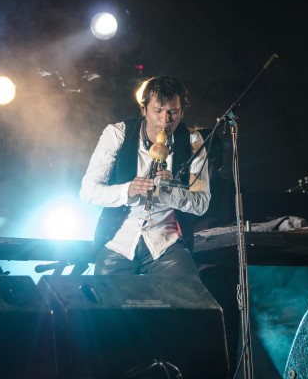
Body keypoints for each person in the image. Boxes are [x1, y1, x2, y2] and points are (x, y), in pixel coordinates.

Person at [79, 76, 210, 275]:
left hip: (166, 242)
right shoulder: (117, 134)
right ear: (144, 109)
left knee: (185, 290)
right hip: (119, 240)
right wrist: (127, 190)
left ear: (182, 112)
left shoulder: (193, 141)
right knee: (103, 291)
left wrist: (170, 191)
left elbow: (201, 204)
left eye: (173, 112)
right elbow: (88, 192)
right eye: (157, 111)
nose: (165, 120)